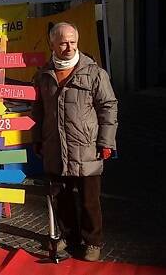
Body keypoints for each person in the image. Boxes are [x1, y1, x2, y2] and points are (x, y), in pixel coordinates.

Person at [32, 22, 118, 262]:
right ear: (52, 44)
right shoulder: (43, 75)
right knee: (61, 196)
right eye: (63, 42)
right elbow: (38, 110)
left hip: (86, 147)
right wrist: (37, 138)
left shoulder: (94, 72)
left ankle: (93, 242)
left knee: (90, 200)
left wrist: (106, 141)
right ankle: (69, 237)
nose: (69, 47)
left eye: (73, 42)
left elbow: (108, 107)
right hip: (55, 146)